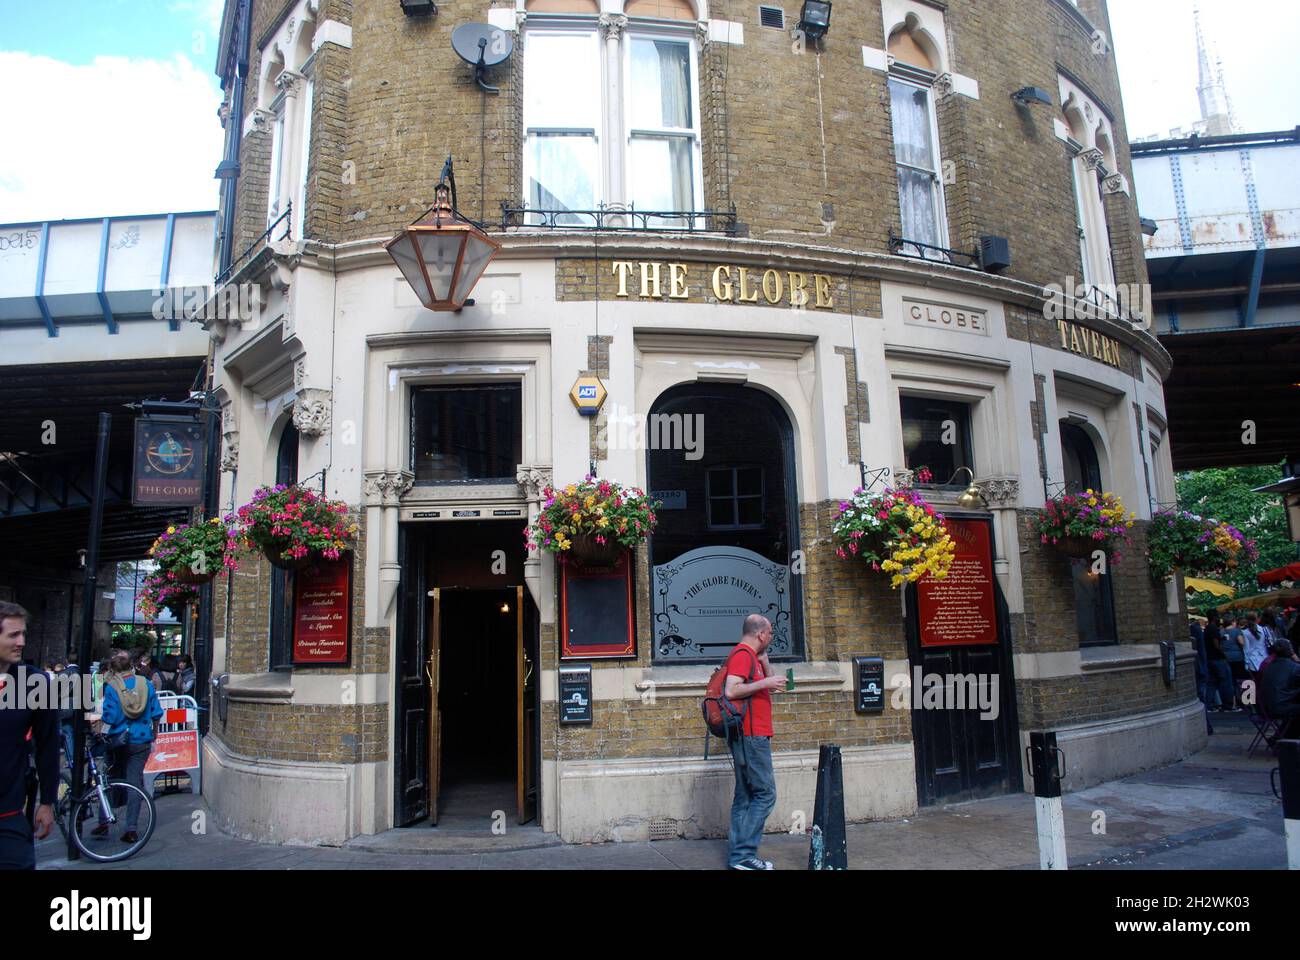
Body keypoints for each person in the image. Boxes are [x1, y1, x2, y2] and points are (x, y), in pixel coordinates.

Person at [722, 614, 787, 870]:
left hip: (749, 734)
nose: (771, 637)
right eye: (770, 633)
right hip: (750, 735)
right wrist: (766, 680)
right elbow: (731, 690)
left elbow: (768, 689)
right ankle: (743, 855)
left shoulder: (754, 657)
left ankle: (739, 858)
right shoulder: (742, 655)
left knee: (745, 795)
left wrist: (766, 666)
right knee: (765, 794)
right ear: (761, 634)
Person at [0, 602, 58, 870]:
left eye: (23, 634)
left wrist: (47, 802)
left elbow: (48, 744)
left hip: (9, 817)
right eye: (13, 635)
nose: (21, 642)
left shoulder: (34, 683)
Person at [96, 651, 163, 844]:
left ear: (113, 670)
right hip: (141, 739)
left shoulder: (112, 687)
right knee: (134, 783)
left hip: (119, 741)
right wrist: (155, 734)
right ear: (131, 666)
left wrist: (102, 731)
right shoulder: (146, 684)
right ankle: (131, 829)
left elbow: (110, 716)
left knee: (108, 780)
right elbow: (157, 713)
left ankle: (103, 822)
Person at [1258, 638, 1300, 740]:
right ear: (1291, 651)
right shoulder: (1294, 667)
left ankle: (1280, 737)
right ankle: (1285, 738)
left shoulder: (1268, 665)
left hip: (1264, 708)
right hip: (1279, 707)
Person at [1203, 610, 1238, 712]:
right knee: (1226, 682)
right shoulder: (1213, 629)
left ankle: (1208, 705)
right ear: (1214, 617)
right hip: (1219, 659)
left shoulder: (1207, 629)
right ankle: (1229, 705)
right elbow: (1216, 644)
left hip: (1210, 659)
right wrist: (1223, 654)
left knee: (1212, 683)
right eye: (1218, 616)